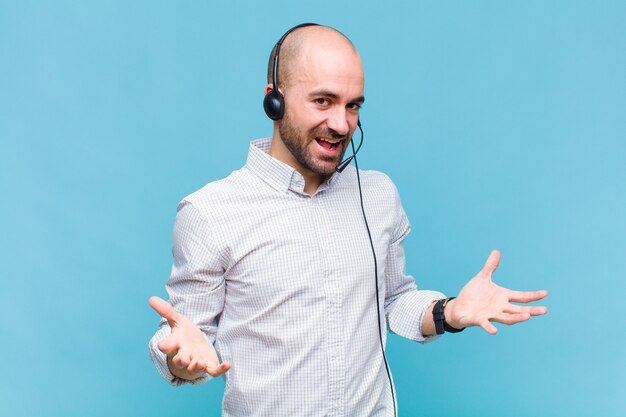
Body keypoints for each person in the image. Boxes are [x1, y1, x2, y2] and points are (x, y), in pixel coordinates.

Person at [148, 24, 548, 416]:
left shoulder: (377, 195)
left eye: (352, 105)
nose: (341, 124)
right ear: (274, 100)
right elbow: (187, 335)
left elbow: (393, 299)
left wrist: (451, 311)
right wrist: (179, 361)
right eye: (323, 101)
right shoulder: (210, 212)